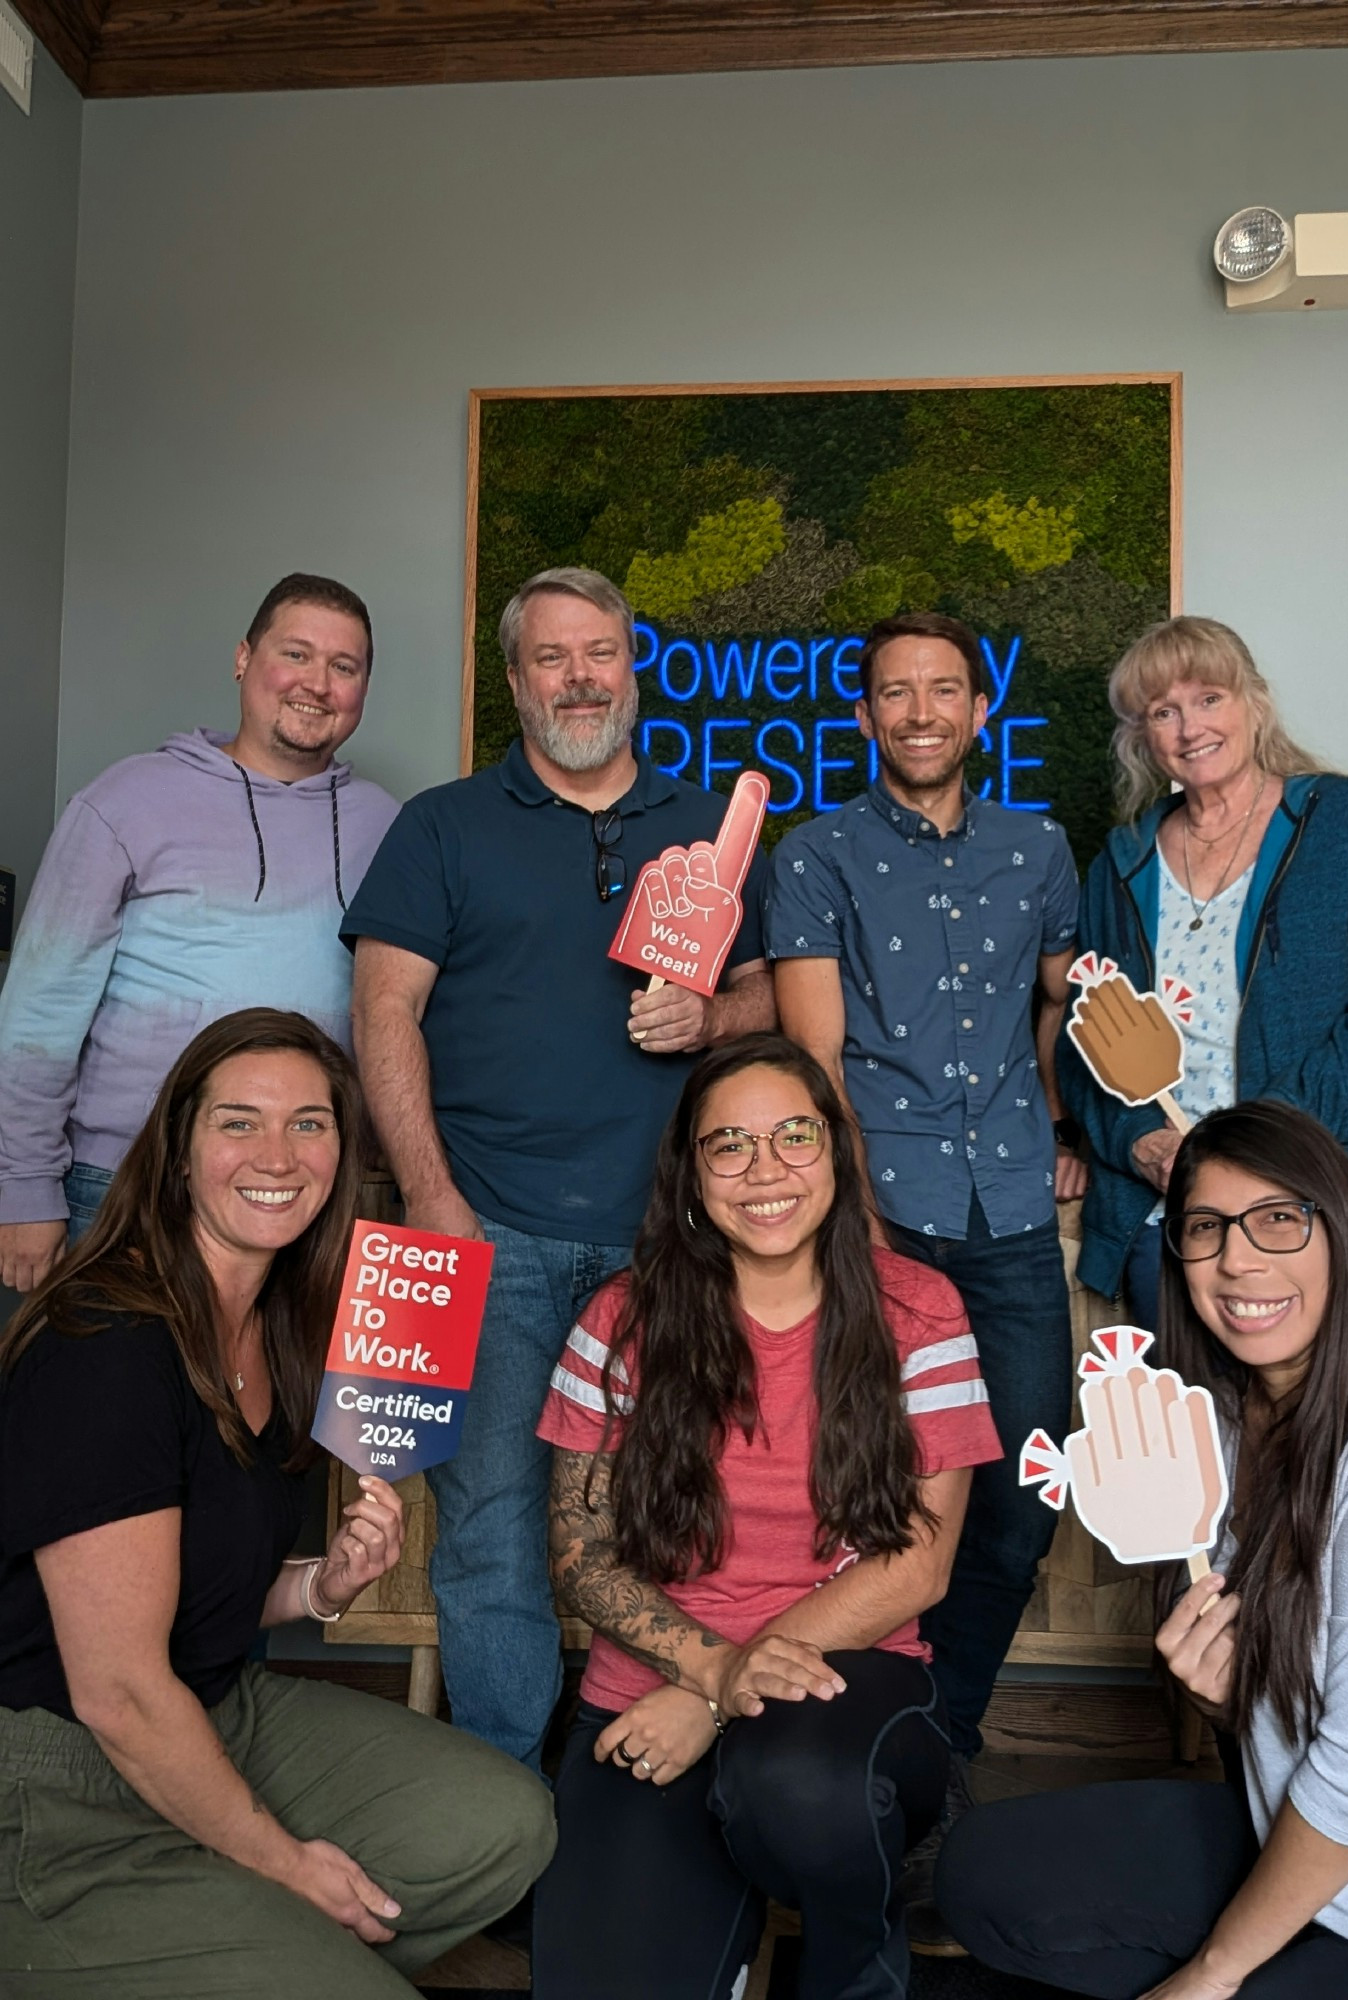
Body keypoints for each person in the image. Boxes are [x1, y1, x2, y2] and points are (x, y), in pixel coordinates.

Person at [0, 1008, 554, 1998]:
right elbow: (116, 1689)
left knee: (505, 1822)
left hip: (210, 1702)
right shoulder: (108, 1345)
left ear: (344, 1152)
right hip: (51, 1768)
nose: (278, 1153)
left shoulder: (283, 1331)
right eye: (238, 1120)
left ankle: (220, 1929)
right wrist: (280, 1857)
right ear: (178, 1151)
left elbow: (185, 1591)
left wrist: (321, 1585)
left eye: (310, 1122)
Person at [343, 566, 775, 1769]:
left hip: (674, 1243)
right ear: (515, 678)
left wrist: (710, 1019)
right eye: (551, 657)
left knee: (689, 1519)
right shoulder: (441, 825)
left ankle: (678, 1778)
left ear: (633, 667)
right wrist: (434, 1199)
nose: (579, 677)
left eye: (601, 654)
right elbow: (384, 1010)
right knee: (488, 1526)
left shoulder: (708, 827)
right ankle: (504, 1803)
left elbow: (773, 993)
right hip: (495, 1234)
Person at [936, 1099, 1348, 1999]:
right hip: (1282, 1833)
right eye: (1207, 1228)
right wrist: (1233, 1706)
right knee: (983, 1875)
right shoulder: (1226, 1427)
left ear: (1343, 1235)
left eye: (1279, 1219)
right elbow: (1286, 1715)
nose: (1239, 1259)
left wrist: (1212, 1972)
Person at [531, 1033, 1001, 1999]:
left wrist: (718, 1697)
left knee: (796, 1790)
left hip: (843, 1700)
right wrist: (708, 1674)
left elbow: (918, 1567)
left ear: (835, 1149)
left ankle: (852, 1970)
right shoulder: (619, 1321)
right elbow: (581, 1561)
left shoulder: (921, 1312)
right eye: (728, 1146)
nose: (765, 1170)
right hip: (645, 1704)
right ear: (691, 1176)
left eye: (794, 1135)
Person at [766, 610, 1083, 1904]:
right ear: (864, 718)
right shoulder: (816, 853)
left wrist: (1065, 1121)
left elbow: (1072, 1004)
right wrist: (855, 1226)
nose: (917, 711)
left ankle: (938, 1739)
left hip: (1006, 1208)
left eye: (941, 689)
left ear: (977, 712)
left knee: (1024, 1495)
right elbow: (814, 1056)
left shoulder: (1042, 847)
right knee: (855, 1500)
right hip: (882, 1216)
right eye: (893, 692)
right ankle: (843, 1749)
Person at [0, 573, 399, 1293]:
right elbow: (38, 1013)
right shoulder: (126, 799)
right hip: (126, 1182)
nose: (318, 683)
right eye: (297, 655)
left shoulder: (388, 826)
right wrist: (22, 1187)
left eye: (346, 667)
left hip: (301, 1192)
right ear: (244, 658)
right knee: (111, 1401)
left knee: (270, 1404)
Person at [1059, 614, 1348, 1332]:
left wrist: (1256, 1142)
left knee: (1331, 1436)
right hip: (1172, 1214)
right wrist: (1138, 1138)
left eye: (1209, 698)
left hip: (1323, 1196)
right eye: (1164, 711)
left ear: (1253, 703)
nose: (1190, 727)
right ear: (1143, 736)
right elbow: (1086, 1039)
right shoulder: (1120, 864)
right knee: (1193, 1441)